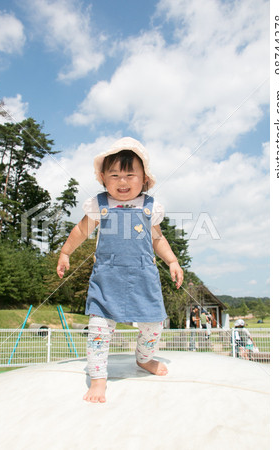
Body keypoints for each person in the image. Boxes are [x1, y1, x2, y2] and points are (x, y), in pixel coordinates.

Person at [57, 137, 184, 403]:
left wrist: (172, 261)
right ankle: (98, 379)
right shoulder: (99, 205)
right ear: (103, 178)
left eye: (130, 175)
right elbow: (81, 230)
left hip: (143, 276)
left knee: (154, 325)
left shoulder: (150, 207)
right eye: (114, 175)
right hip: (107, 277)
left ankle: (144, 358)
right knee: (98, 330)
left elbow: (158, 239)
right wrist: (66, 252)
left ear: (144, 179)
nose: (122, 182)